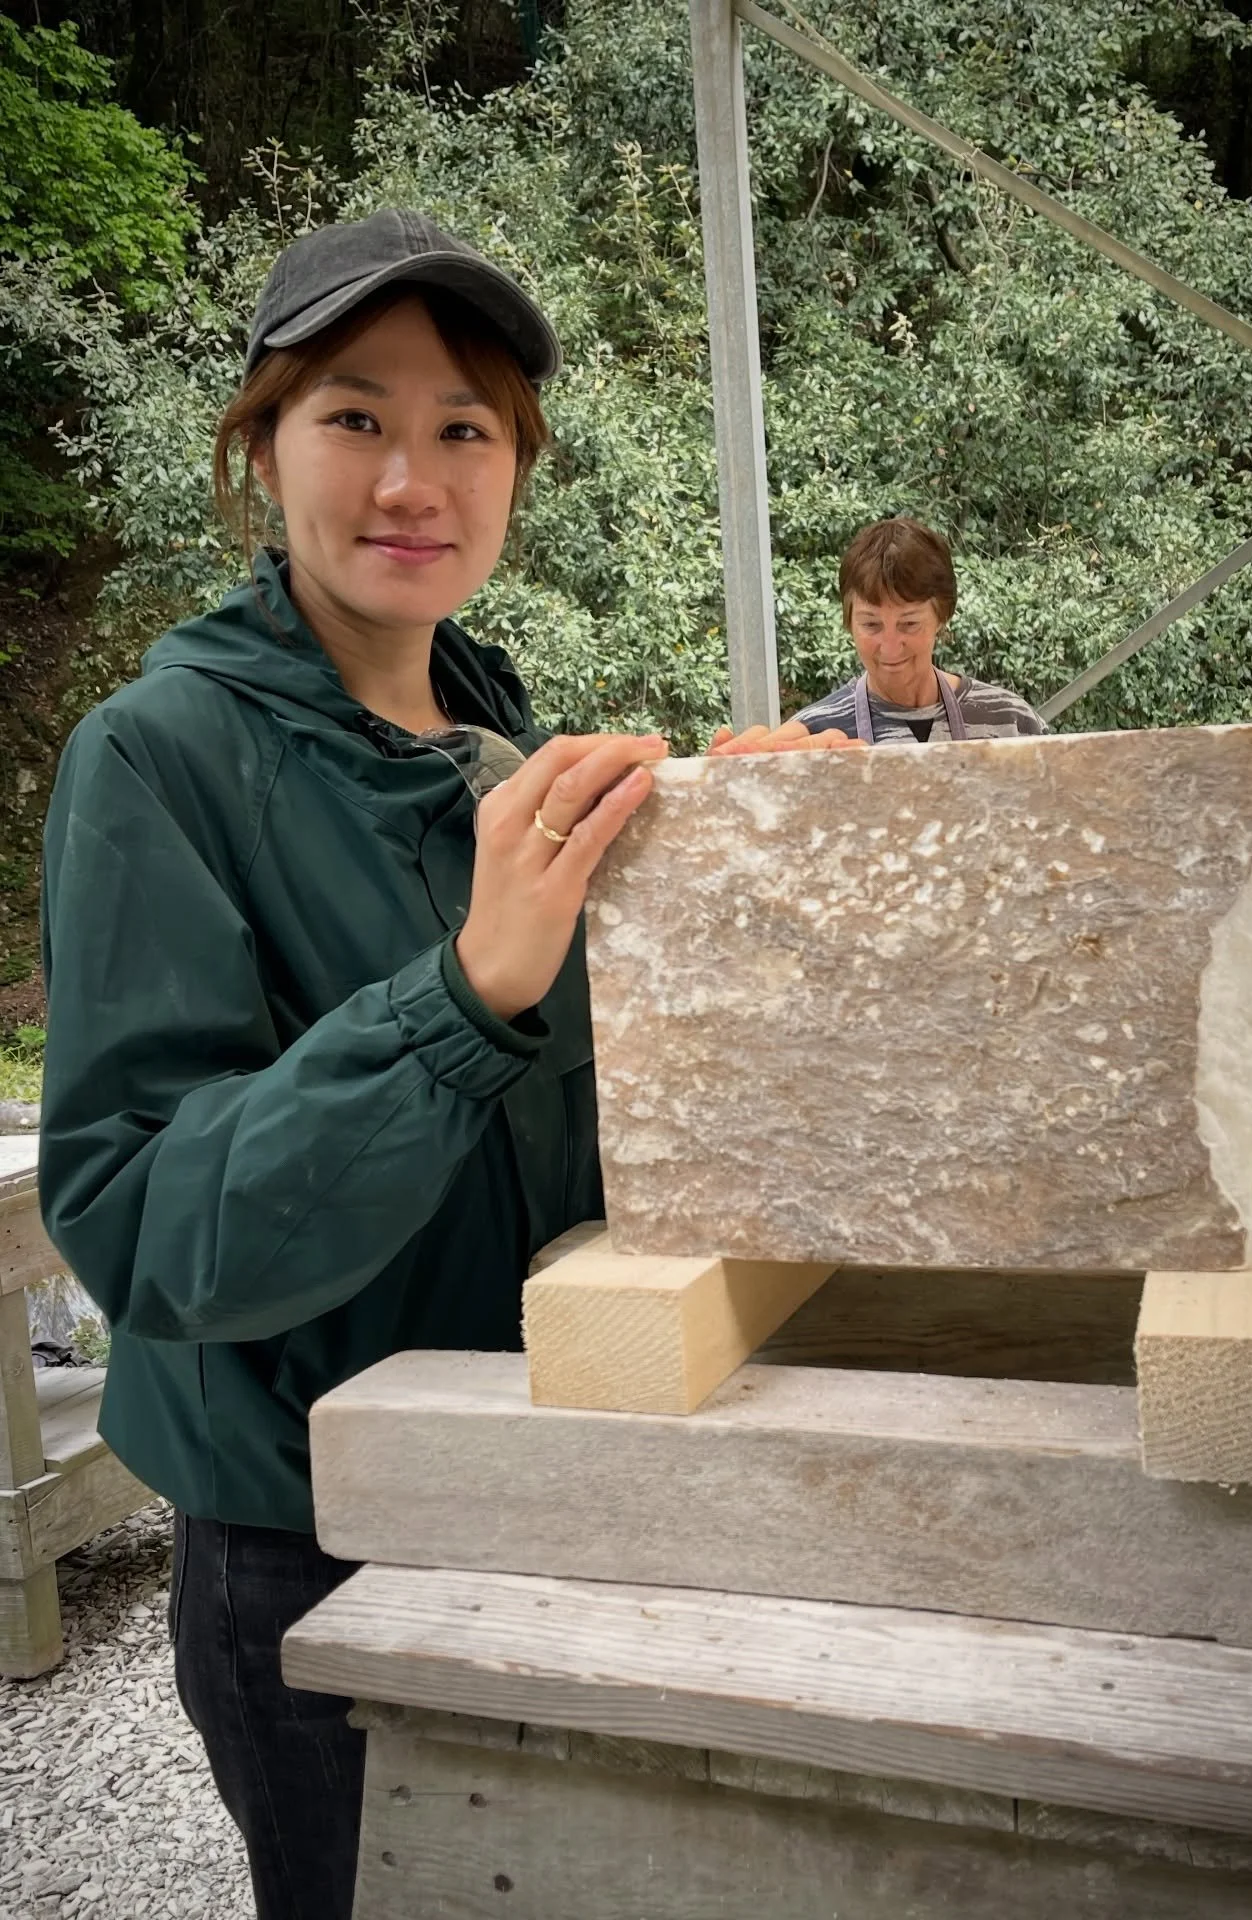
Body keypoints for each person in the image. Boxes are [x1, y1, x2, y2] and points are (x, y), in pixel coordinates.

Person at [36, 209, 847, 1920]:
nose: (413, 477)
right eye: (355, 415)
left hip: (538, 1463)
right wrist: (463, 998)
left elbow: (615, 1118)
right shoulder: (159, 758)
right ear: (259, 446)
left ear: (514, 473)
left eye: (463, 428)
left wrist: (749, 864)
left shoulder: (500, 746)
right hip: (310, 1533)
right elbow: (148, 1235)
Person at [793, 516, 1047, 744]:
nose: (890, 646)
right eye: (871, 624)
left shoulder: (1011, 724)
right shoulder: (813, 738)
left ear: (942, 615)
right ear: (849, 621)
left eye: (909, 624)